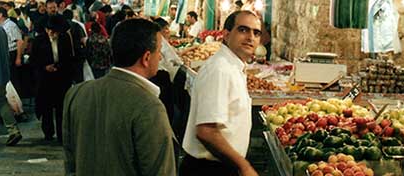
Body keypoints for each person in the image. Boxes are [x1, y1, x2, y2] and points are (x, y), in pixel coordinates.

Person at [62, 19, 176, 175]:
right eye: (159, 52)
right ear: (146, 57)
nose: (160, 58)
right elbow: (161, 171)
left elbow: (70, 164)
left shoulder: (77, 93)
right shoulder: (149, 106)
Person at [181, 10, 261, 176]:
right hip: (208, 169)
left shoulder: (234, 67)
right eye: (243, 30)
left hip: (222, 166)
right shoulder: (220, 69)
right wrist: (244, 166)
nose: (250, 37)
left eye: (256, 32)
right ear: (226, 34)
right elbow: (206, 131)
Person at [30, 14, 74, 142]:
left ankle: (62, 134)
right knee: (46, 108)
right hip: (45, 79)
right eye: (49, 30)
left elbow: (68, 58)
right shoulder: (39, 40)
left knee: (61, 108)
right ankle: (48, 133)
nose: (52, 33)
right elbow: (33, 60)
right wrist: (45, 67)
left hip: (61, 78)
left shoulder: (64, 38)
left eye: (54, 31)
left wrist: (59, 67)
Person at [0, 19, 21, 146]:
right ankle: (13, 130)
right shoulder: (1, 30)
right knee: (1, 101)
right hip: (2, 73)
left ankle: (13, 130)